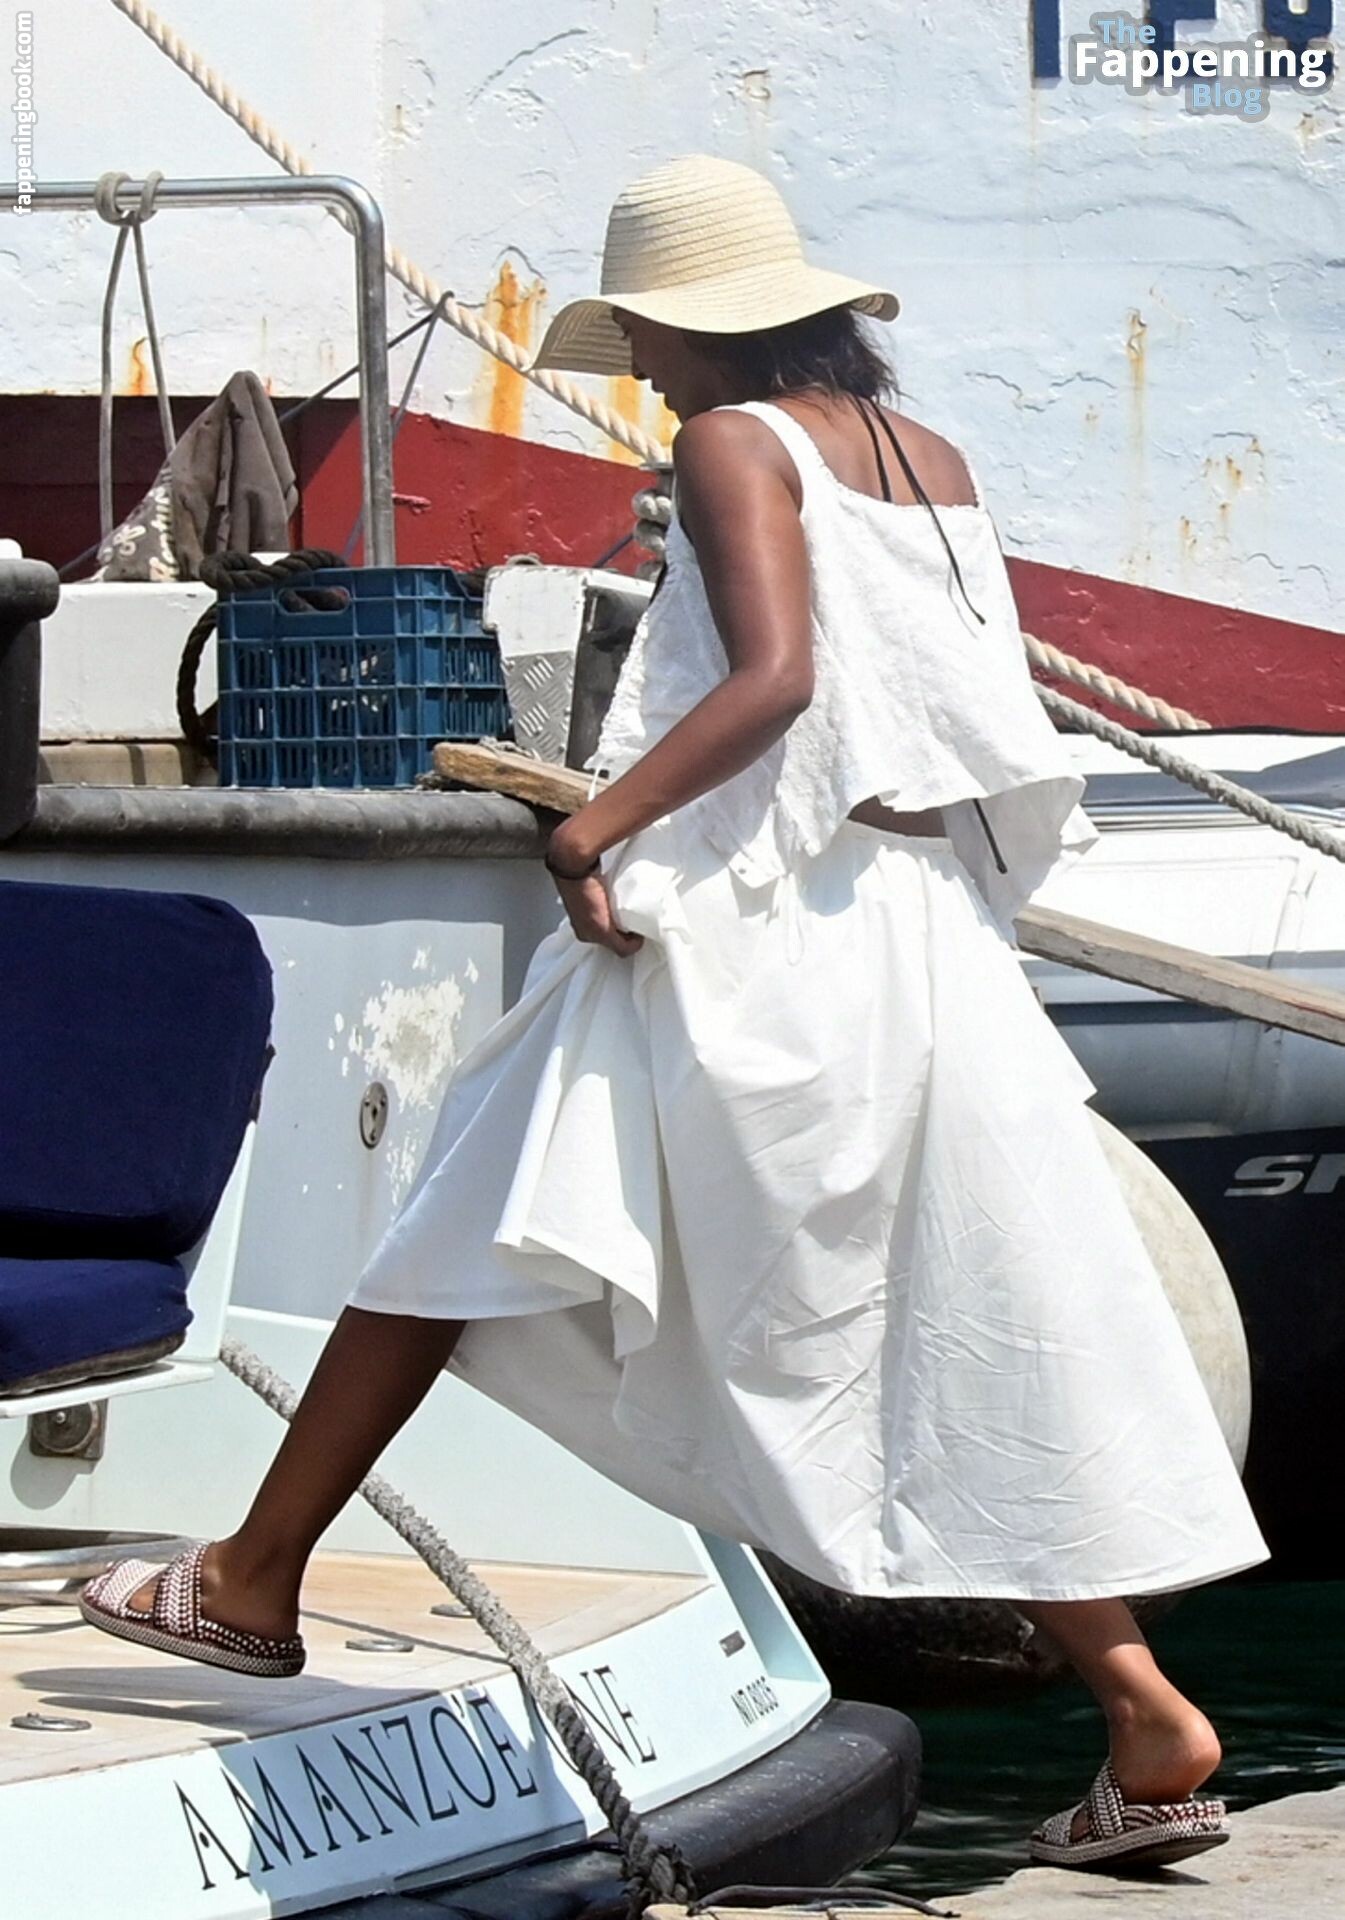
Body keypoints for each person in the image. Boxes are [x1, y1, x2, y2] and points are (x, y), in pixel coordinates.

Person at [81, 154, 1270, 1871]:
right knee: (937, 1311)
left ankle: (251, 1583)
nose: (635, 366)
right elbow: (940, 708)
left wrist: (594, 826)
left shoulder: (731, 442)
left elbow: (778, 682)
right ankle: (1145, 1718)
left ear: (696, 325)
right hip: (913, 934)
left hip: (758, 929)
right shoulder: (924, 457)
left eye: (639, 333)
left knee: (460, 1222)